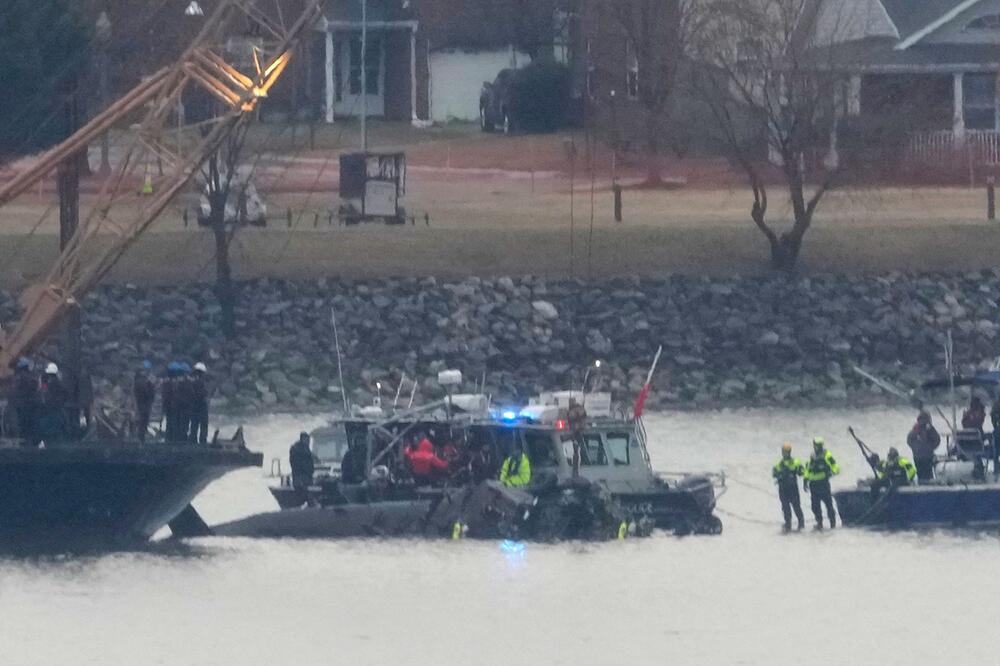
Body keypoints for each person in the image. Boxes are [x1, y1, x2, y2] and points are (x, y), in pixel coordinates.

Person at [804, 436, 839, 529]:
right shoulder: (812, 455)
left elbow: (835, 466)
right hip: (813, 484)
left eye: (818, 445)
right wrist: (805, 480)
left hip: (823, 483)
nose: (816, 447)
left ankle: (833, 524)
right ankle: (819, 523)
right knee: (815, 506)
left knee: (828, 504)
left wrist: (832, 473)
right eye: (815, 445)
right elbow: (808, 469)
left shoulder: (827, 454)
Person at [772, 443, 805, 532]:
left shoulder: (795, 462)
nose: (785, 453)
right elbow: (774, 473)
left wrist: (795, 471)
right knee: (785, 508)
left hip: (793, 489)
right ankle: (788, 524)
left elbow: (802, 471)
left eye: (786, 452)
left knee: (796, 506)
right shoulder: (779, 464)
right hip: (783, 489)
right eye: (784, 452)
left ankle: (801, 523)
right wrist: (779, 475)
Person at [11, 358, 39, 447]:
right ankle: (29, 442)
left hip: (23, 405)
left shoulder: (21, 377)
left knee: (24, 424)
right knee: (29, 424)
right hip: (30, 404)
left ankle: (25, 443)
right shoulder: (32, 376)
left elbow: (15, 390)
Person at [906, 410, 940, 482]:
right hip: (927, 456)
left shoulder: (915, 428)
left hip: (917, 456)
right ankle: (928, 486)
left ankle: (921, 484)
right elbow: (937, 440)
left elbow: (909, 441)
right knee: (928, 475)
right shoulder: (929, 428)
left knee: (920, 474)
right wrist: (930, 448)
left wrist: (915, 448)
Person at [38, 363, 68, 443]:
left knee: (50, 426)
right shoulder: (58, 383)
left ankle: (51, 440)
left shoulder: (50, 384)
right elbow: (65, 394)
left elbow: (43, 393)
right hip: (57, 408)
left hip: (51, 409)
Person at [133, 361, 156, 442]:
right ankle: (140, 437)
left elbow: (151, 394)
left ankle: (142, 436)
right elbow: (145, 392)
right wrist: (150, 384)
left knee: (144, 421)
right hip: (141, 404)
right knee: (141, 421)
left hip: (145, 404)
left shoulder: (146, 380)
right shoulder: (140, 380)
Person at [189, 362, 209, 445]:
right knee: (203, 425)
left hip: (194, 406)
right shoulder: (202, 383)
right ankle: (202, 442)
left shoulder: (193, 382)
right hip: (201, 406)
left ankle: (193, 441)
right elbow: (203, 394)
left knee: (194, 424)